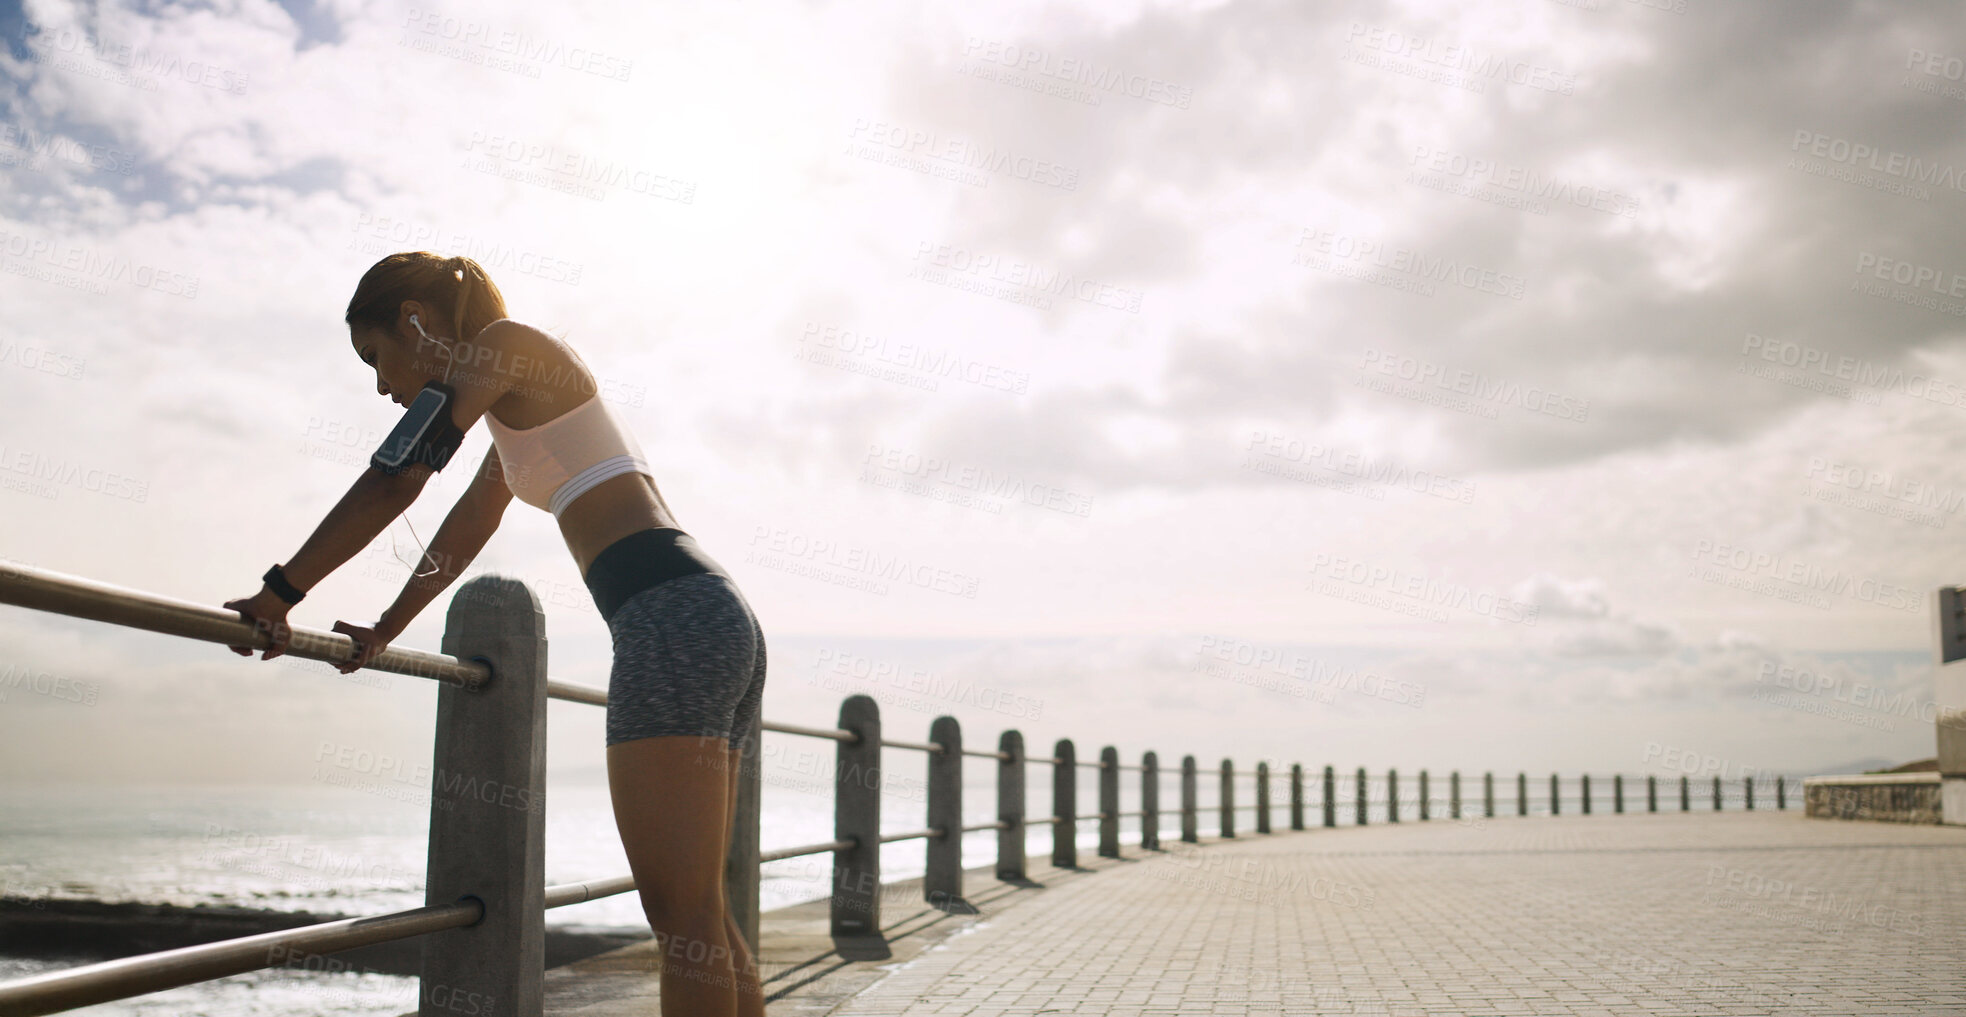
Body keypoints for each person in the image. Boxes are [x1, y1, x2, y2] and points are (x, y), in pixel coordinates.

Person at [222, 251, 767, 1017]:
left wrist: (280, 591)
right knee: (702, 920)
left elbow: (399, 473)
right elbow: (466, 526)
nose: (382, 386)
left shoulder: (509, 345)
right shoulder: (517, 407)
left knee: (681, 923)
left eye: (377, 357)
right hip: (705, 613)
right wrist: (388, 624)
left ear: (414, 319)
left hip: (669, 618)